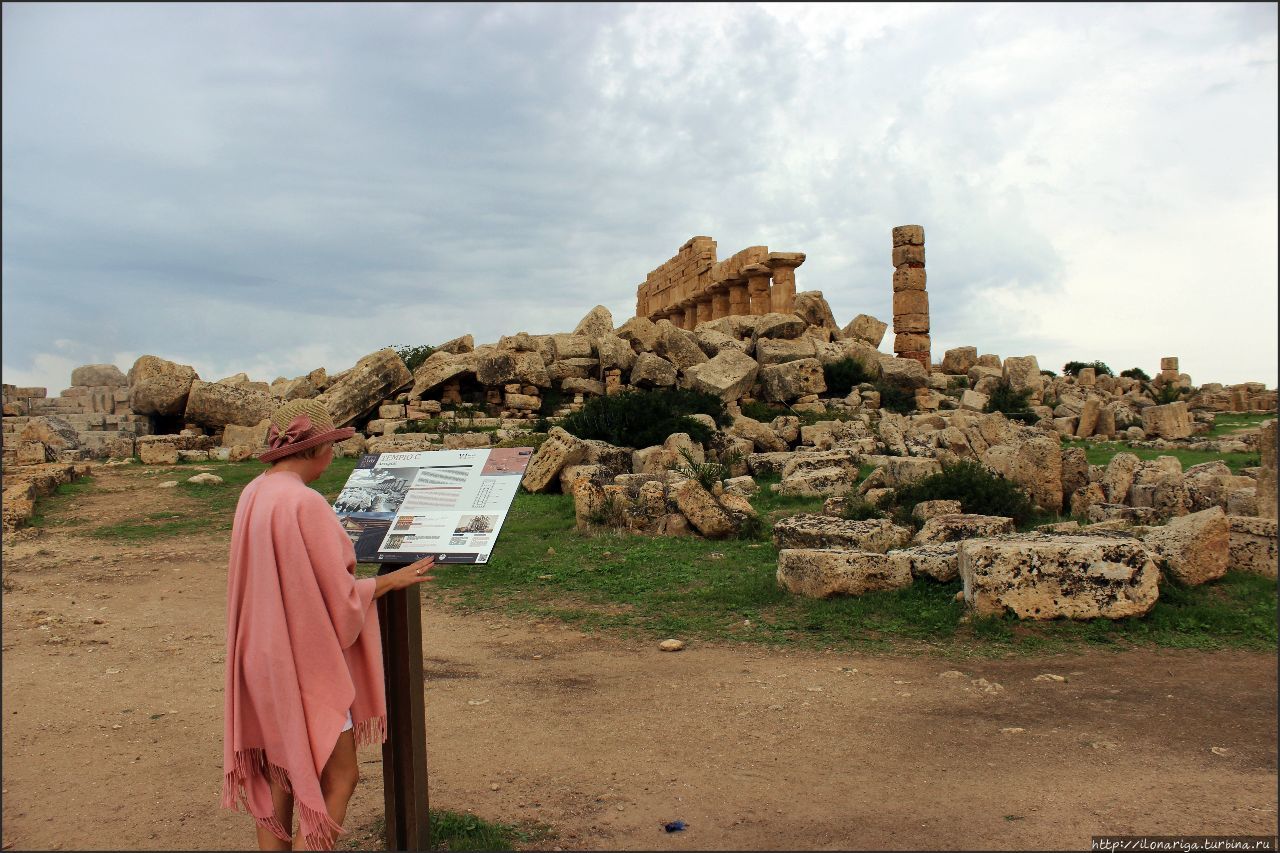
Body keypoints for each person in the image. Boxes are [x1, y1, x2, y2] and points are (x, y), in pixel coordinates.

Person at [220, 398, 437, 850]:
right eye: (332, 447)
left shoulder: (254, 492)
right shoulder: (305, 503)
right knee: (340, 777)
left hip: (258, 656)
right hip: (301, 663)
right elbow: (336, 600)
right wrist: (387, 582)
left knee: (279, 774)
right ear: (317, 451)